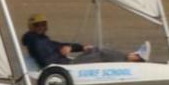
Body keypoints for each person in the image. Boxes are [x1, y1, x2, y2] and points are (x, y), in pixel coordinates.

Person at [21, 14, 150, 66]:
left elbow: (60, 45)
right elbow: (46, 61)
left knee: (92, 50)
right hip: (65, 66)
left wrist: (80, 47)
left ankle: (131, 56)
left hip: (65, 62)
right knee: (99, 52)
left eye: (43, 24)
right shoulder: (35, 41)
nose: (41, 27)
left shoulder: (43, 39)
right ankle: (134, 58)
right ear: (32, 27)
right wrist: (60, 54)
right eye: (38, 25)